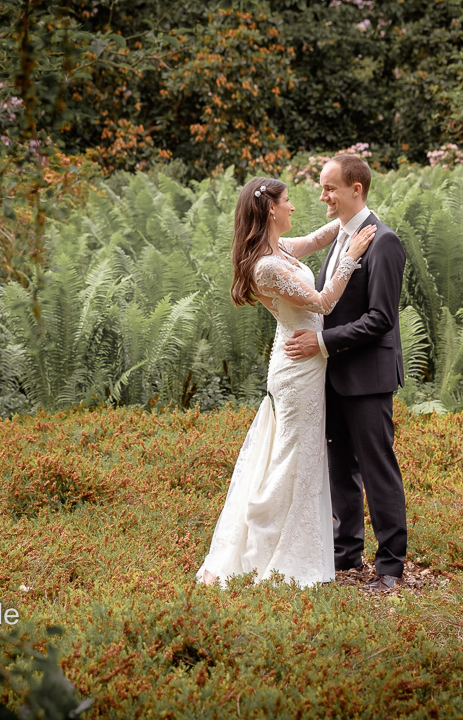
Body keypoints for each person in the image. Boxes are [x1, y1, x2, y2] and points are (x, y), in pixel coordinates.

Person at [196, 176, 376, 587]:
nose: (295, 207)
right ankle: (272, 553)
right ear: (270, 209)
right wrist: (350, 255)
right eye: (288, 201)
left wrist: (349, 211)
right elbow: (325, 302)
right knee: (293, 458)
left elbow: (315, 238)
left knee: (306, 455)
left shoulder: (281, 251)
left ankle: (305, 547)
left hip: (307, 361)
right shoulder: (268, 266)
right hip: (297, 370)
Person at [284, 154, 407, 591]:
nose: (323, 196)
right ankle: (346, 554)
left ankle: (391, 567)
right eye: (322, 187)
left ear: (357, 188)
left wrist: (320, 343)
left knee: (378, 470)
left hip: (368, 378)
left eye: (330, 188)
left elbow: (380, 319)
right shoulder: (340, 237)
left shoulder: (384, 241)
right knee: (341, 469)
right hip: (332, 377)